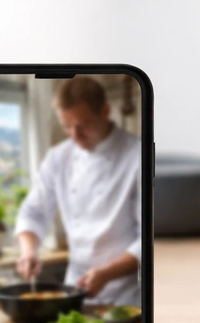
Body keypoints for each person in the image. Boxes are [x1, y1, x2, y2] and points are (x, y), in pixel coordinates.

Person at [14, 76, 142, 306]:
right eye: (67, 126)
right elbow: (33, 211)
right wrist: (29, 251)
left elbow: (149, 237)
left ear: (105, 111)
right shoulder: (58, 157)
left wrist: (107, 274)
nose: (75, 135)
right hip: (74, 289)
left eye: (83, 125)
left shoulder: (138, 157)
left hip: (125, 296)